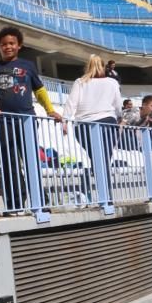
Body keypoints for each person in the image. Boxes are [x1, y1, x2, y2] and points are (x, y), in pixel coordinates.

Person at [0, 26, 61, 212]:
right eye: (3, 44)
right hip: (2, 121)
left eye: (12, 43)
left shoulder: (28, 66)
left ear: (19, 45)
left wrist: (50, 110)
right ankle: (15, 204)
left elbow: (40, 90)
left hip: (26, 120)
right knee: (8, 162)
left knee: (30, 161)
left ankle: (40, 202)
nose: (8, 47)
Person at [61, 55, 122, 203]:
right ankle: (106, 196)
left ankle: (103, 194)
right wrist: (119, 118)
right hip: (107, 122)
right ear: (103, 67)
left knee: (96, 158)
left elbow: (71, 103)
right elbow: (118, 104)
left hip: (84, 125)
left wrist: (65, 120)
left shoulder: (80, 82)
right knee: (104, 158)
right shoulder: (112, 82)